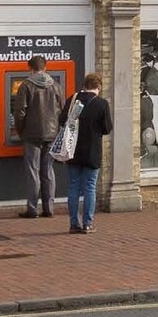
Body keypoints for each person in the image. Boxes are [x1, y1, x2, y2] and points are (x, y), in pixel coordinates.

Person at [60, 72, 113, 234]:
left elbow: (62, 120)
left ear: (84, 85)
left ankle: (73, 224)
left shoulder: (73, 100)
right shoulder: (101, 104)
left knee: (74, 186)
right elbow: (107, 128)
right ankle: (88, 223)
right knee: (90, 187)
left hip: (72, 149)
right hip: (92, 151)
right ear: (99, 87)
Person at [10, 56, 62, 218]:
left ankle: (32, 209)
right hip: (52, 134)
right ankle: (49, 208)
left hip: (32, 134)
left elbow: (19, 112)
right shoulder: (56, 86)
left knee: (33, 171)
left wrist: (20, 130)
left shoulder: (26, 86)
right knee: (48, 171)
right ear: (45, 67)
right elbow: (61, 110)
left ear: (30, 68)